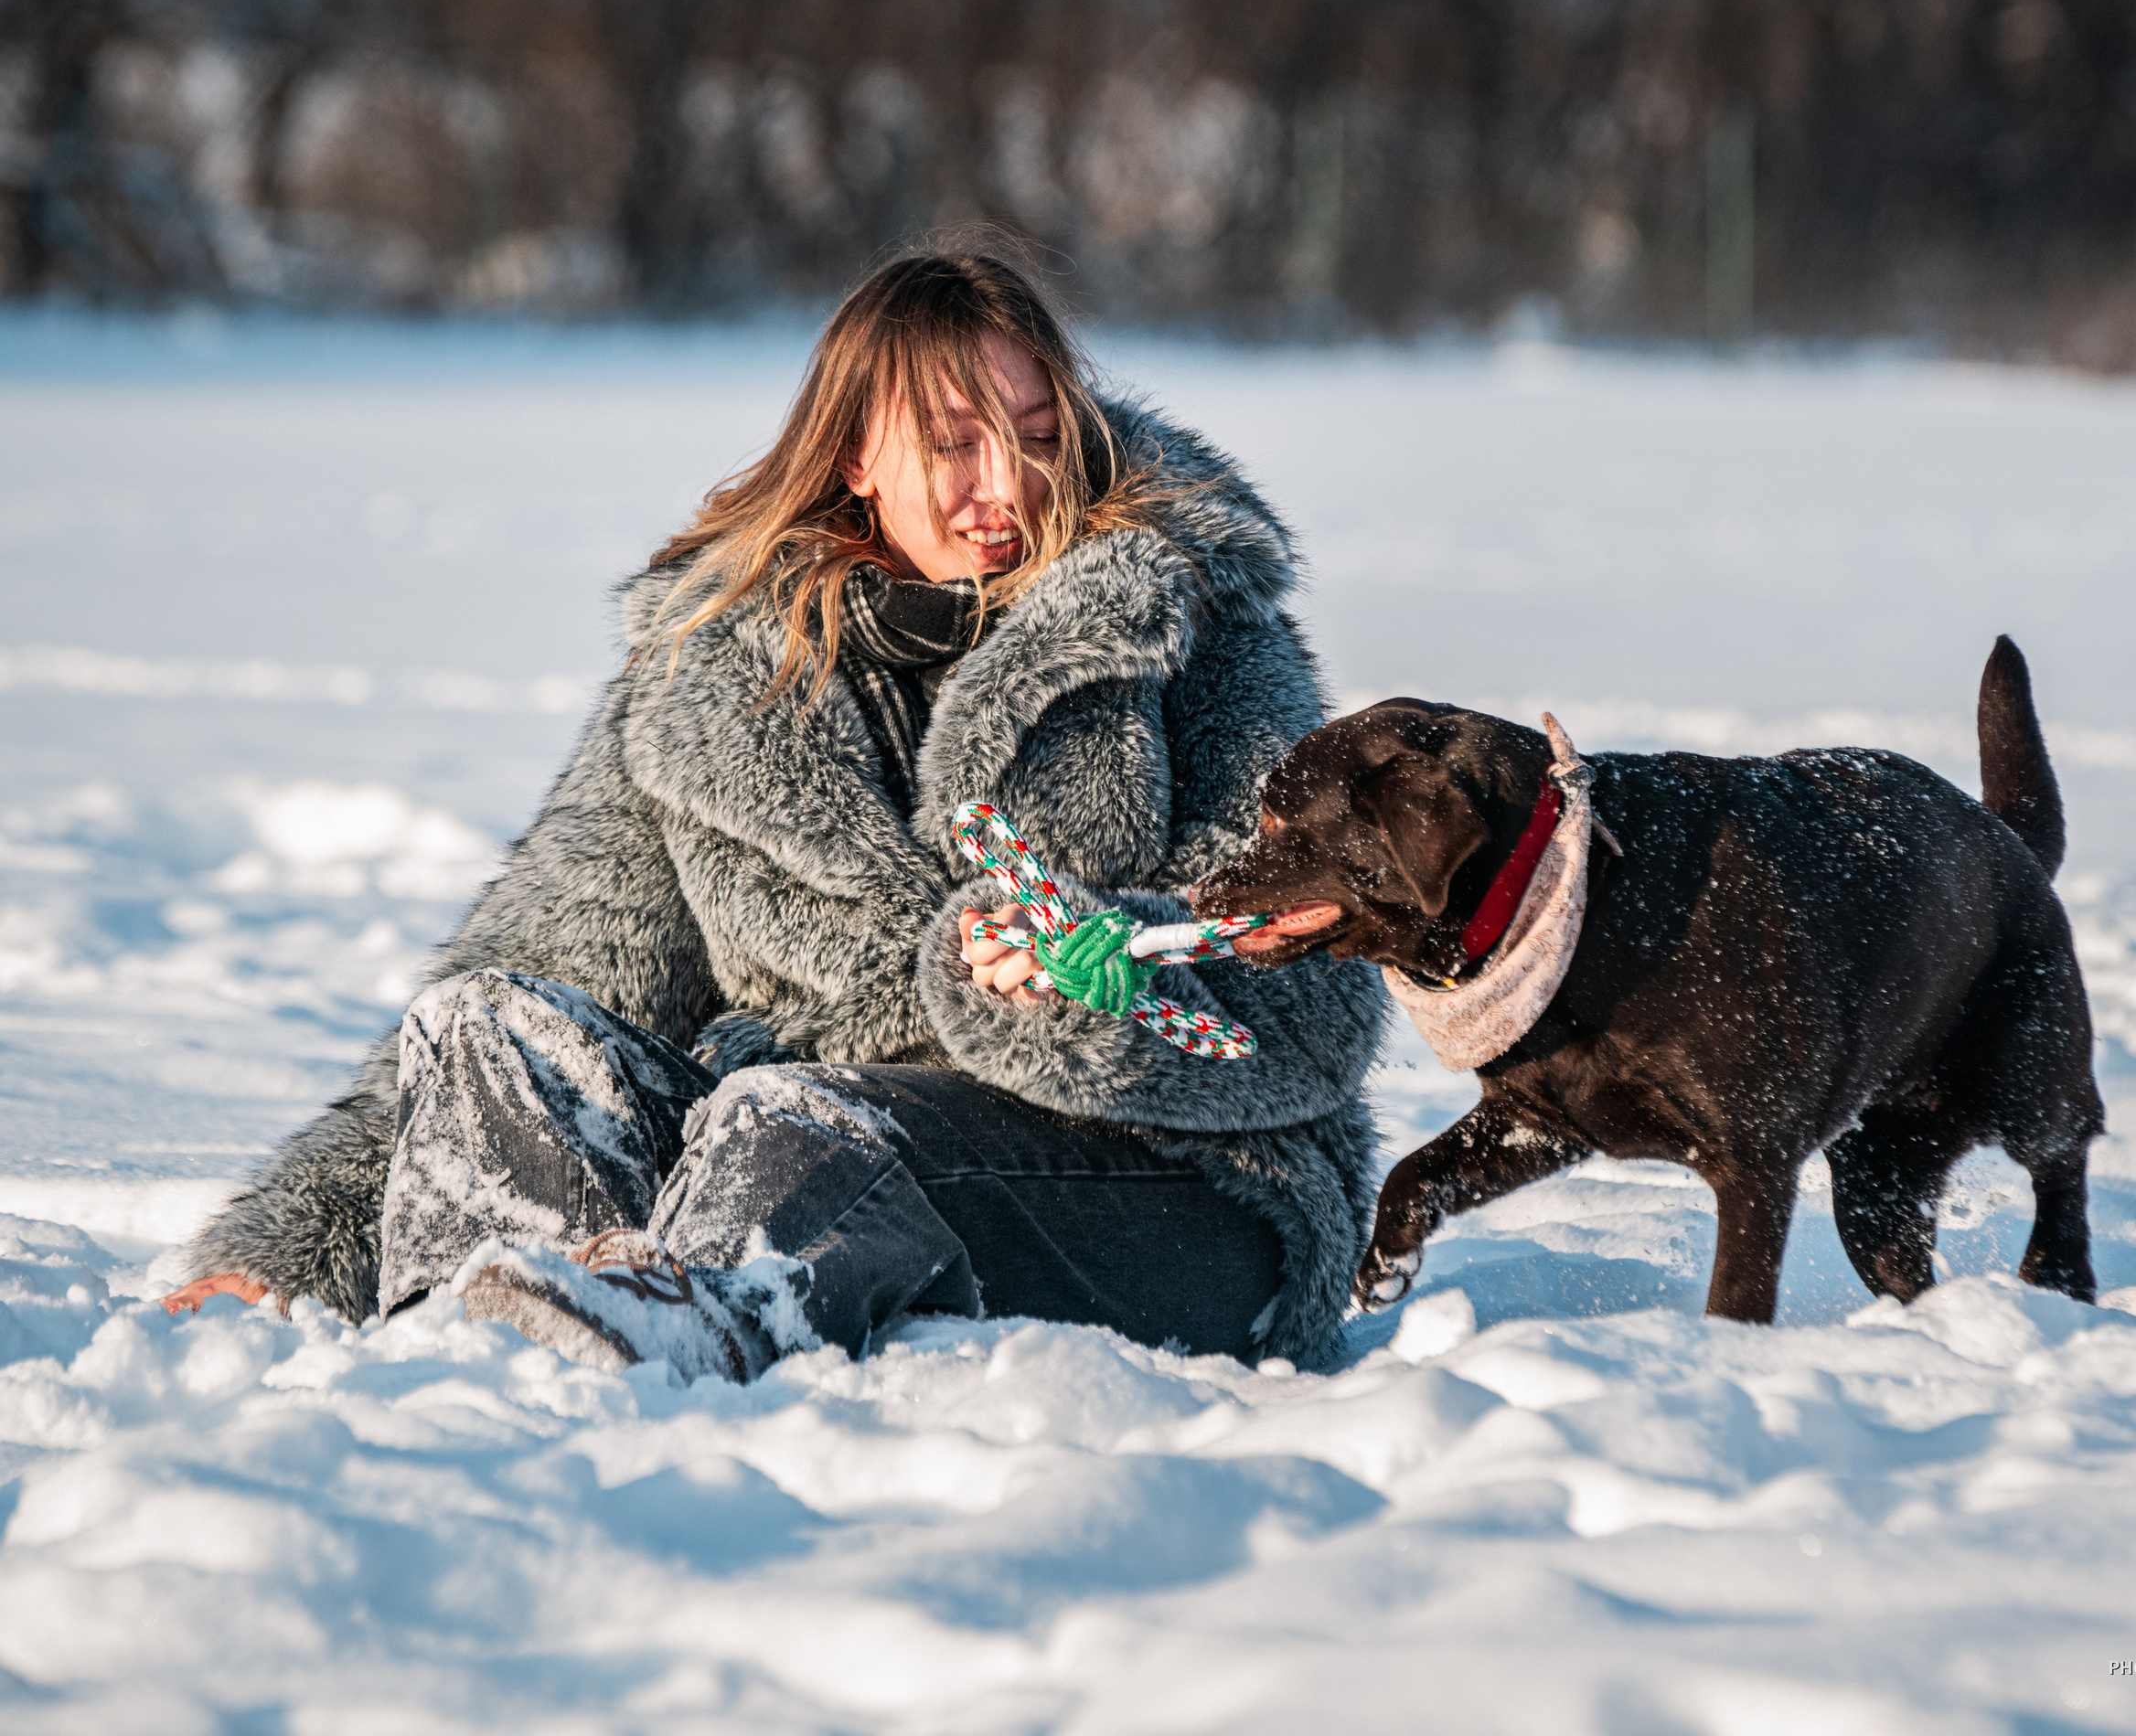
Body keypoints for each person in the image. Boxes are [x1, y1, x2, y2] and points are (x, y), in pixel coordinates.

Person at [164, 240, 1385, 1378]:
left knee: (790, 1113)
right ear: (857, 457)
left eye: (1036, 431)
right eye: (955, 443)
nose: (1003, 486)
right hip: (786, 1168)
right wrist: (291, 1251)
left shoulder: (1193, 629)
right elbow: (542, 971)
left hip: (1177, 1195)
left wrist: (1105, 974)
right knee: (496, 1031)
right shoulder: (717, 673)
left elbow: (1321, 999)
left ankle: (645, 1335)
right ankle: (473, 1367)